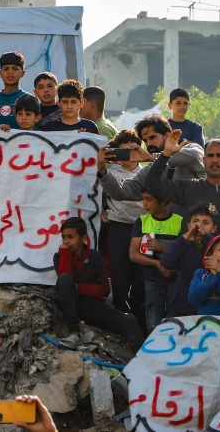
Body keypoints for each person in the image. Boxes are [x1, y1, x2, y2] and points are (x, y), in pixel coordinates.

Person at [144, 135, 220, 260]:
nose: (215, 160)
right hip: (190, 269)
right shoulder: (188, 187)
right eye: (210, 156)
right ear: (204, 160)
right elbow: (152, 184)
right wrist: (166, 154)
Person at [53, 217, 143, 349]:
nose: (66, 242)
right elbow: (65, 280)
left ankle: (141, 357)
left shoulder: (94, 257)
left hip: (92, 306)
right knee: (65, 279)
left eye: (70, 237)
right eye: (64, 237)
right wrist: (65, 254)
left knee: (129, 320)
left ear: (83, 238)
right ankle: (74, 332)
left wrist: (78, 287)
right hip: (69, 304)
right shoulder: (60, 256)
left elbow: (104, 290)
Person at [96, 114, 206, 208]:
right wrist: (102, 171)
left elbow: (195, 157)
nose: (149, 144)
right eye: (145, 140)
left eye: (153, 137)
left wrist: (153, 158)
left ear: (167, 135)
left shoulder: (189, 149)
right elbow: (122, 192)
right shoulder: (152, 168)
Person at [100, 130, 147, 319]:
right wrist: (104, 210)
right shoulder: (109, 172)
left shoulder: (146, 173)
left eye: (131, 149)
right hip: (118, 226)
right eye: (123, 150)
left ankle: (138, 315)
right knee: (119, 274)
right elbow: (99, 197)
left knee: (140, 276)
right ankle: (121, 316)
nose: (128, 154)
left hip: (143, 228)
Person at [128, 190, 182, 332]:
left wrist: (162, 247)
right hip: (150, 279)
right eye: (143, 199)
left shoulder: (180, 221)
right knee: (152, 321)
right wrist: (157, 264)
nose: (144, 203)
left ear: (163, 201)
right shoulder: (142, 221)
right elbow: (133, 254)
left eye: (149, 199)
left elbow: (184, 253)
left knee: (174, 321)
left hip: (174, 280)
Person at [160, 203, 220, 317]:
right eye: (195, 221)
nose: (199, 226)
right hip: (180, 306)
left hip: (207, 307)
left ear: (214, 228)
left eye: (205, 223)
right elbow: (165, 262)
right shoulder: (183, 245)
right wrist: (184, 238)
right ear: (189, 225)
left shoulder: (216, 246)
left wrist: (206, 237)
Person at [0, 52, 32, 130]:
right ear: (0, 73)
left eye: (15, 69)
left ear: (23, 73)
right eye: (6, 69)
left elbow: (34, 131)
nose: (10, 72)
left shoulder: (29, 100)